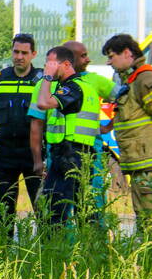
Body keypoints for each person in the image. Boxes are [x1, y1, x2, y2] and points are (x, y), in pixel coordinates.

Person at [28, 39, 114, 214]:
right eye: (47, 65)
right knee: (68, 207)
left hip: (74, 154)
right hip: (67, 153)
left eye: (52, 64)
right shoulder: (79, 86)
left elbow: (44, 103)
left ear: (67, 63)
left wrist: (47, 77)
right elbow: (37, 123)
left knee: (66, 209)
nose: (48, 68)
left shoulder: (75, 86)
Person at [0, 33, 42, 238]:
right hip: (5, 152)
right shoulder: (1, 77)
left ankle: (48, 251)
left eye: (24, 53)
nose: (19, 57)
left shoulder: (41, 79)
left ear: (33, 54)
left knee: (42, 208)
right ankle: (0, 252)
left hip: (33, 152)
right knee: (4, 210)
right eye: (16, 52)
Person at [101, 34, 152, 226]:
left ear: (127, 53)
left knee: (148, 220)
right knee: (143, 218)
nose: (108, 62)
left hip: (148, 165)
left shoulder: (144, 78)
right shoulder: (131, 81)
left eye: (111, 56)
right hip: (139, 163)